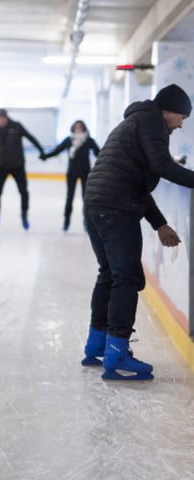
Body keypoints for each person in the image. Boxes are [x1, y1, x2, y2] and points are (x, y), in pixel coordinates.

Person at [81, 83, 193, 381]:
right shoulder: (152, 122)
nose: (182, 124)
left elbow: (137, 184)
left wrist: (159, 224)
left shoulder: (136, 121)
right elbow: (163, 167)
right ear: (169, 110)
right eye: (182, 116)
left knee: (109, 273)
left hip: (97, 205)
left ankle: (97, 344)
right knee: (127, 279)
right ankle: (116, 354)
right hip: (116, 209)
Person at [40, 120, 100, 231]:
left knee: (86, 199)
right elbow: (57, 151)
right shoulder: (69, 140)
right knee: (69, 197)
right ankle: (66, 221)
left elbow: (98, 153)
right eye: (76, 127)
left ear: (84, 128)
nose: (78, 129)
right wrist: (45, 156)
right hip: (72, 172)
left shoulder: (88, 140)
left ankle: (87, 222)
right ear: (73, 128)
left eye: (80, 127)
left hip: (86, 172)